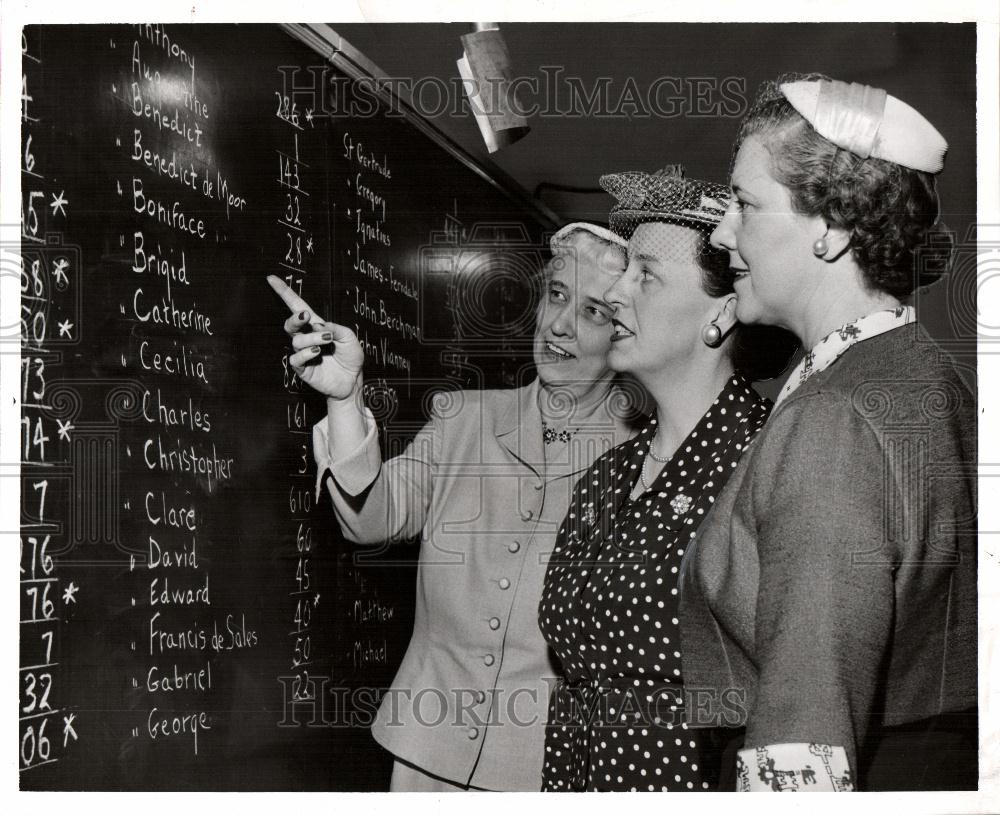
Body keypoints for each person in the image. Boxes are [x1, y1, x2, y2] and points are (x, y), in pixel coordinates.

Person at [680, 74, 977, 791]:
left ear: (832, 229)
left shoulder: (835, 418)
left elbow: (805, 727)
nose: (721, 234)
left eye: (746, 205)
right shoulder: (926, 378)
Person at [268, 221, 636, 791]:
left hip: (550, 768)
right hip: (423, 751)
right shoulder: (463, 418)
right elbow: (372, 519)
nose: (559, 325)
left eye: (593, 311)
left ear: (627, 331)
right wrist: (345, 400)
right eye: (557, 295)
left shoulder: (647, 459)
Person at [537, 167, 797, 792]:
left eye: (645, 274)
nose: (615, 296)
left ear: (726, 309)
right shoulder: (610, 474)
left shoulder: (769, 458)